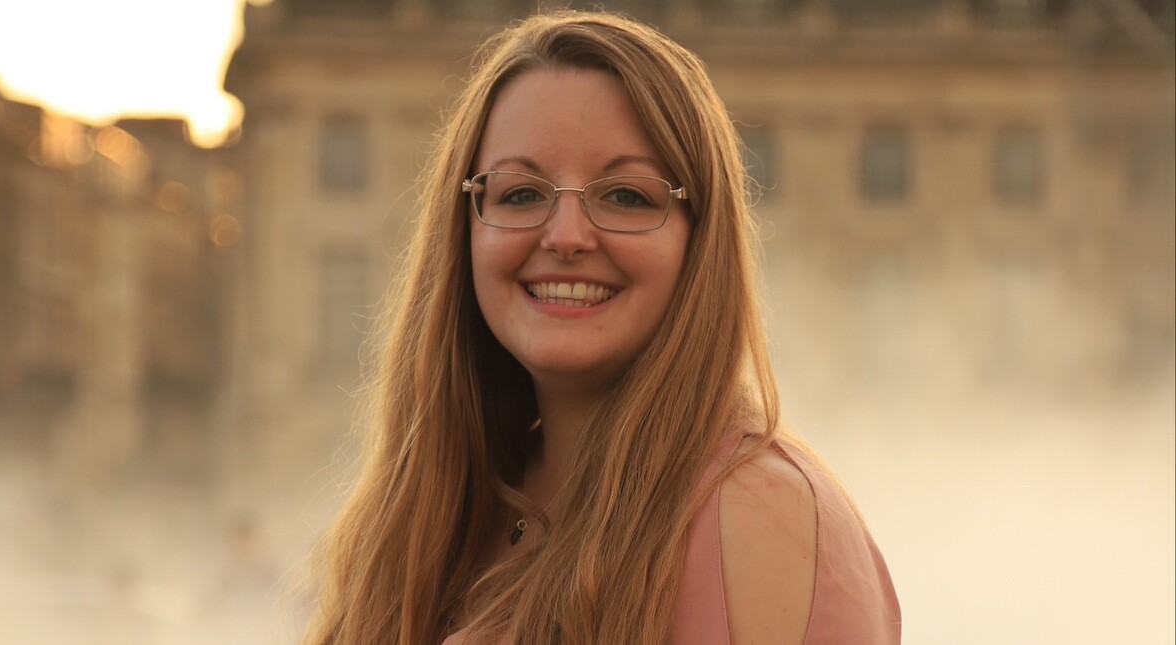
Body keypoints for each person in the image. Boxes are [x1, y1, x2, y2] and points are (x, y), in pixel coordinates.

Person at [303, 9, 900, 644]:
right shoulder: (441, 513)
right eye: (520, 193)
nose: (566, 236)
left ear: (701, 240)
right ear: (465, 230)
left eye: (626, 196)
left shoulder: (763, 523)